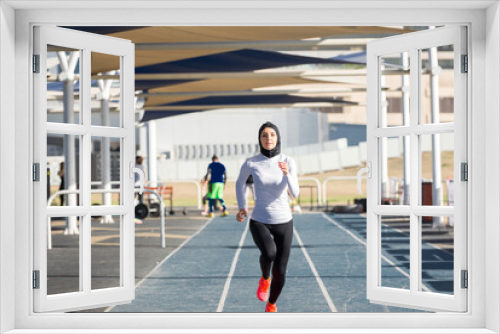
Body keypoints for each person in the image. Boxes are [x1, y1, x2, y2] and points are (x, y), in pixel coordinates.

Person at [235, 121, 299, 313]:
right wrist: (241, 207)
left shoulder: (288, 161)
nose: (268, 138)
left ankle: (271, 304)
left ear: (277, 137)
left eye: (272, 135)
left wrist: (287, 174)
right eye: (264, 135)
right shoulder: (252, 162)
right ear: (259, 139)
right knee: (269, 253)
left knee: (281, 270)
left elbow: (294, 193)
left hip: (284, 221)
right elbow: (239, 184)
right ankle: (265, 278)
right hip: (260, 219)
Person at [134, 155, 146, 225]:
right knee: (136, 199)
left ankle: (139, 213)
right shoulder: (137, 166)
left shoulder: (140, 166)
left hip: (139, 184)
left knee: (139, 199)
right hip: (137, 184)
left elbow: (143, 174)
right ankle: (137, 213)